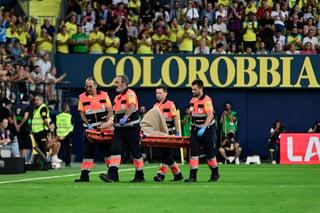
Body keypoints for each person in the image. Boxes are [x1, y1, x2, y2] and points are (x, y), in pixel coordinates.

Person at [99, 75, 145, 183]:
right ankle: (113, 175)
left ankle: (140, 175)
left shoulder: (130, 94)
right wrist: (104, 125)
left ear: (124, 84)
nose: (115, 85)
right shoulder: (116, 98)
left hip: (131, 128)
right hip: (119, 129)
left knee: (136, 152)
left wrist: (125, 117)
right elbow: (115, 117)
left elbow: (132, 106)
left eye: (117, 82)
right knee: (115, 150)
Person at [74, 77, 113, 182]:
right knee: (88, 153)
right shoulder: (82, 97)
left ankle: (112, 173)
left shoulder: (104, 95)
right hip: (90, 131)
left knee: (107, 152)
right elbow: (81, 113)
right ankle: (84, 175)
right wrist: (88, 124)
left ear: (96, 86)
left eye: (90, 86)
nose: (88, 88)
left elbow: (110, 110)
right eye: (86, 86)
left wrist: (106, 122)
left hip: (102, 130)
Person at [185, 79, 220, 182]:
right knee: (194, 152)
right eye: (192, 89)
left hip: (207, 129)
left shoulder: (207, 100)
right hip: (195, 129)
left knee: (209, 152)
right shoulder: (192, 101)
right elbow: (192, 115)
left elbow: (210, 115)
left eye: (195, 89)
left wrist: (204, 127)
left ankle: (215, 172)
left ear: (201, 89)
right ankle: (193, 176)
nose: (193, 91)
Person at [152, 85, 183, 182]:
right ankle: (178, 174)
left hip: (169, 133)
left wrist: (177, 132)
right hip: (160, 133)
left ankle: (161, 174)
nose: (158, 95)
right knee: (165, 154)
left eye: (160, 93)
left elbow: (175, 119)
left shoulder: (170, 104)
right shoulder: (155, 106)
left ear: (165, 94)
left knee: (165, 154)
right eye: (156, 93)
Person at [31, 94, 54, 161]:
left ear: (42, 100)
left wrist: (49, 127)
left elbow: (45, 119)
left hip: (41, 131)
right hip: (36, 131)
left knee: (43, 147)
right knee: (40, 148)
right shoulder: (36, 109)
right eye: (35, 100)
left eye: (37, 100)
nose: (36, 101)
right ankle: (41, 162)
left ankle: (44, 163)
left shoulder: (43, 108)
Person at [13, 93, 32, 159]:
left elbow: (14, 117)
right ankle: (22, 159)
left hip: (18, 128)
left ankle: (20, 159)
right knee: (25, 145)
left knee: (20, 144)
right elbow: (25, 117)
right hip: (25, 128)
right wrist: (20, 125)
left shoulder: (16, 106)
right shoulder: (28, 107)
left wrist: (16, 126)